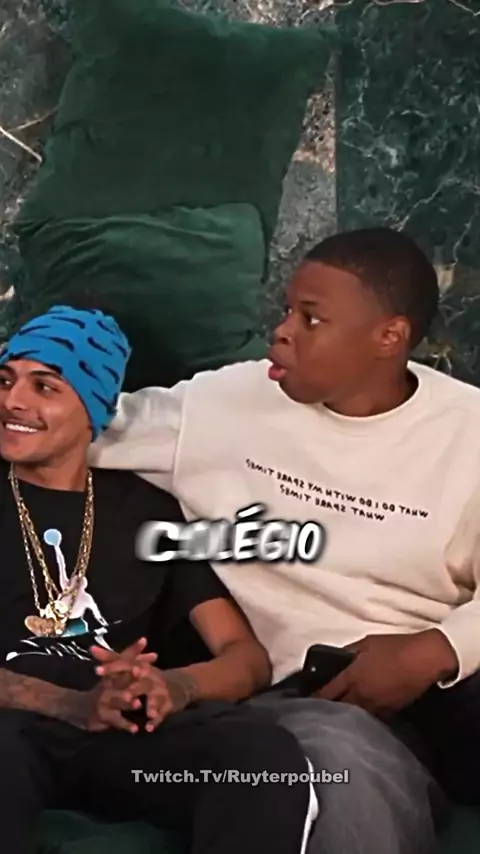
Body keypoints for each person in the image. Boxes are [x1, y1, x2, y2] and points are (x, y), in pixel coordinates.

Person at [89, 226, 480, 852]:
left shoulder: (467, 430)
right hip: (310, 693)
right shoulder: (228, 402)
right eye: (286, 311)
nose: (282, 332)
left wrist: (437, 649)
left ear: (388, 337)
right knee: (336, 765)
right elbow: (76, 425)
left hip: (448, 680)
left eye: (311, 318)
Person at [0, 304, 319, 854]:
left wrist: (173, 687)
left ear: (94, 408)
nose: (13, 401)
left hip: (124, 731)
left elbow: (245, 657)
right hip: (14, 725)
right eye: (5, 380)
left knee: (261, 756)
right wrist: (69, 705)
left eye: (45, 387)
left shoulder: (148, 513)